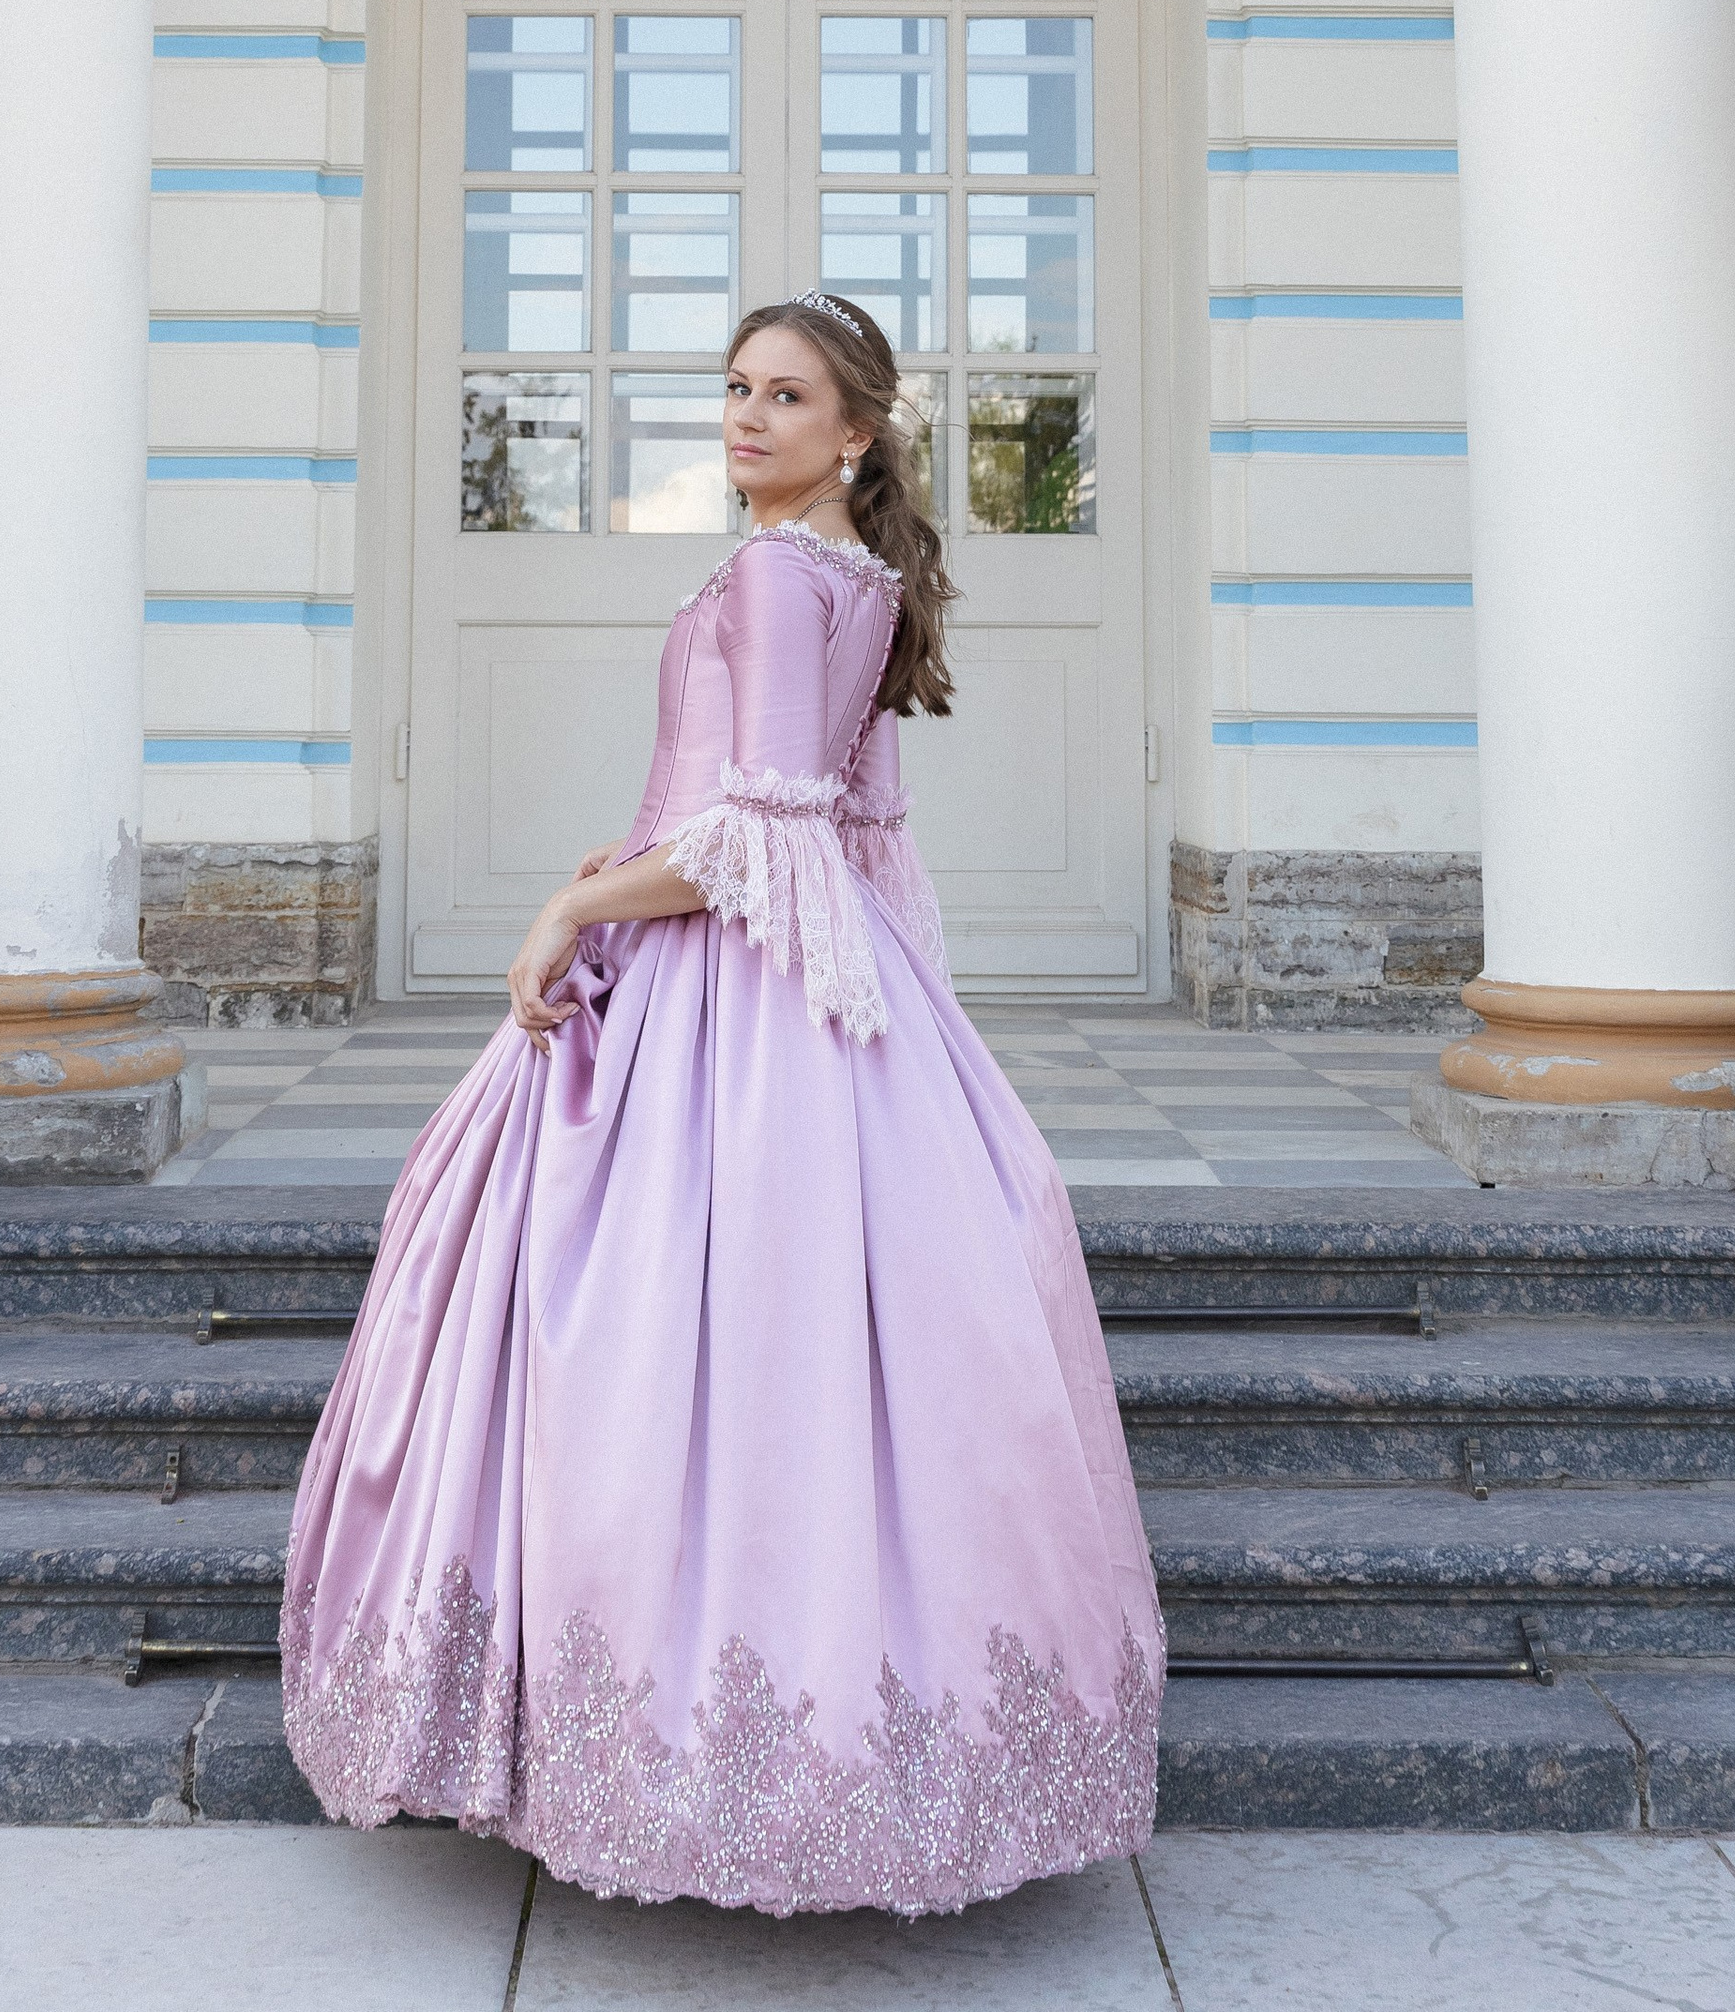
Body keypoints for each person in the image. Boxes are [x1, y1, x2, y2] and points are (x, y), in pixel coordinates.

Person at [282, 290, 1160, 1913]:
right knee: (818, 1357)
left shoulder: (775, 573)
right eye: (739, 389)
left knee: (653, 1337)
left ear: (857, 430)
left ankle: (662, 1745)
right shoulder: (861, 578)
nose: (749, 418)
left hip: (725, 1001)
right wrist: (640, 861)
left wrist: (574, 910)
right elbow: (846, 833)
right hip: (808, 994)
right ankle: (881, 1750)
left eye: (787, 397)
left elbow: (758, 837)